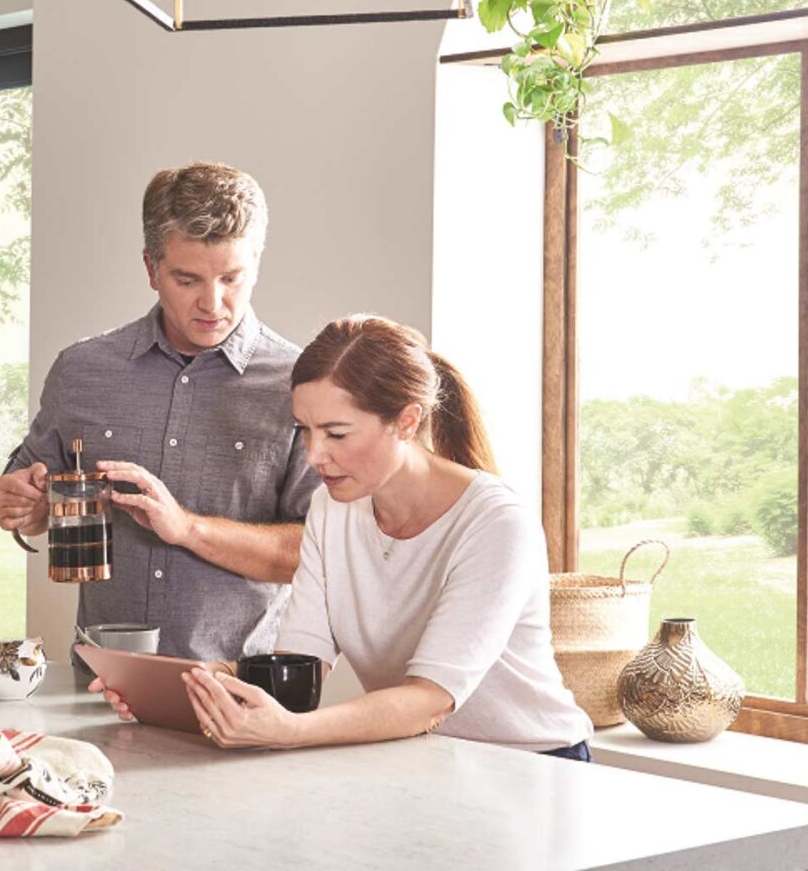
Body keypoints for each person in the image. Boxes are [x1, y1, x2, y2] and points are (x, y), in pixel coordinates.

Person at [98, 315, 594, 760]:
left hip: (535, 764)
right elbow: (301, 660)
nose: (314, 456)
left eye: (336, 434)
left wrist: (291, 731)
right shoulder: (332, 509)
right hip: (430, 760)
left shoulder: (495, 523)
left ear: (406, 421)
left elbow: (428, 700)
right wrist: (201, 686)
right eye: (305, 430)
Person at [0, 162, 320, 661]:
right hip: (99, 682)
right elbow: (28, 507)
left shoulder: (300, 384)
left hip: (240, 690)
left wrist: (188, 528)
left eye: (232, 278)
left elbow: (314, 553)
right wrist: (22, 506)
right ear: (150, 268)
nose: (213, 303)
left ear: (257, 262)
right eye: (187, 280)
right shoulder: (81, 370)